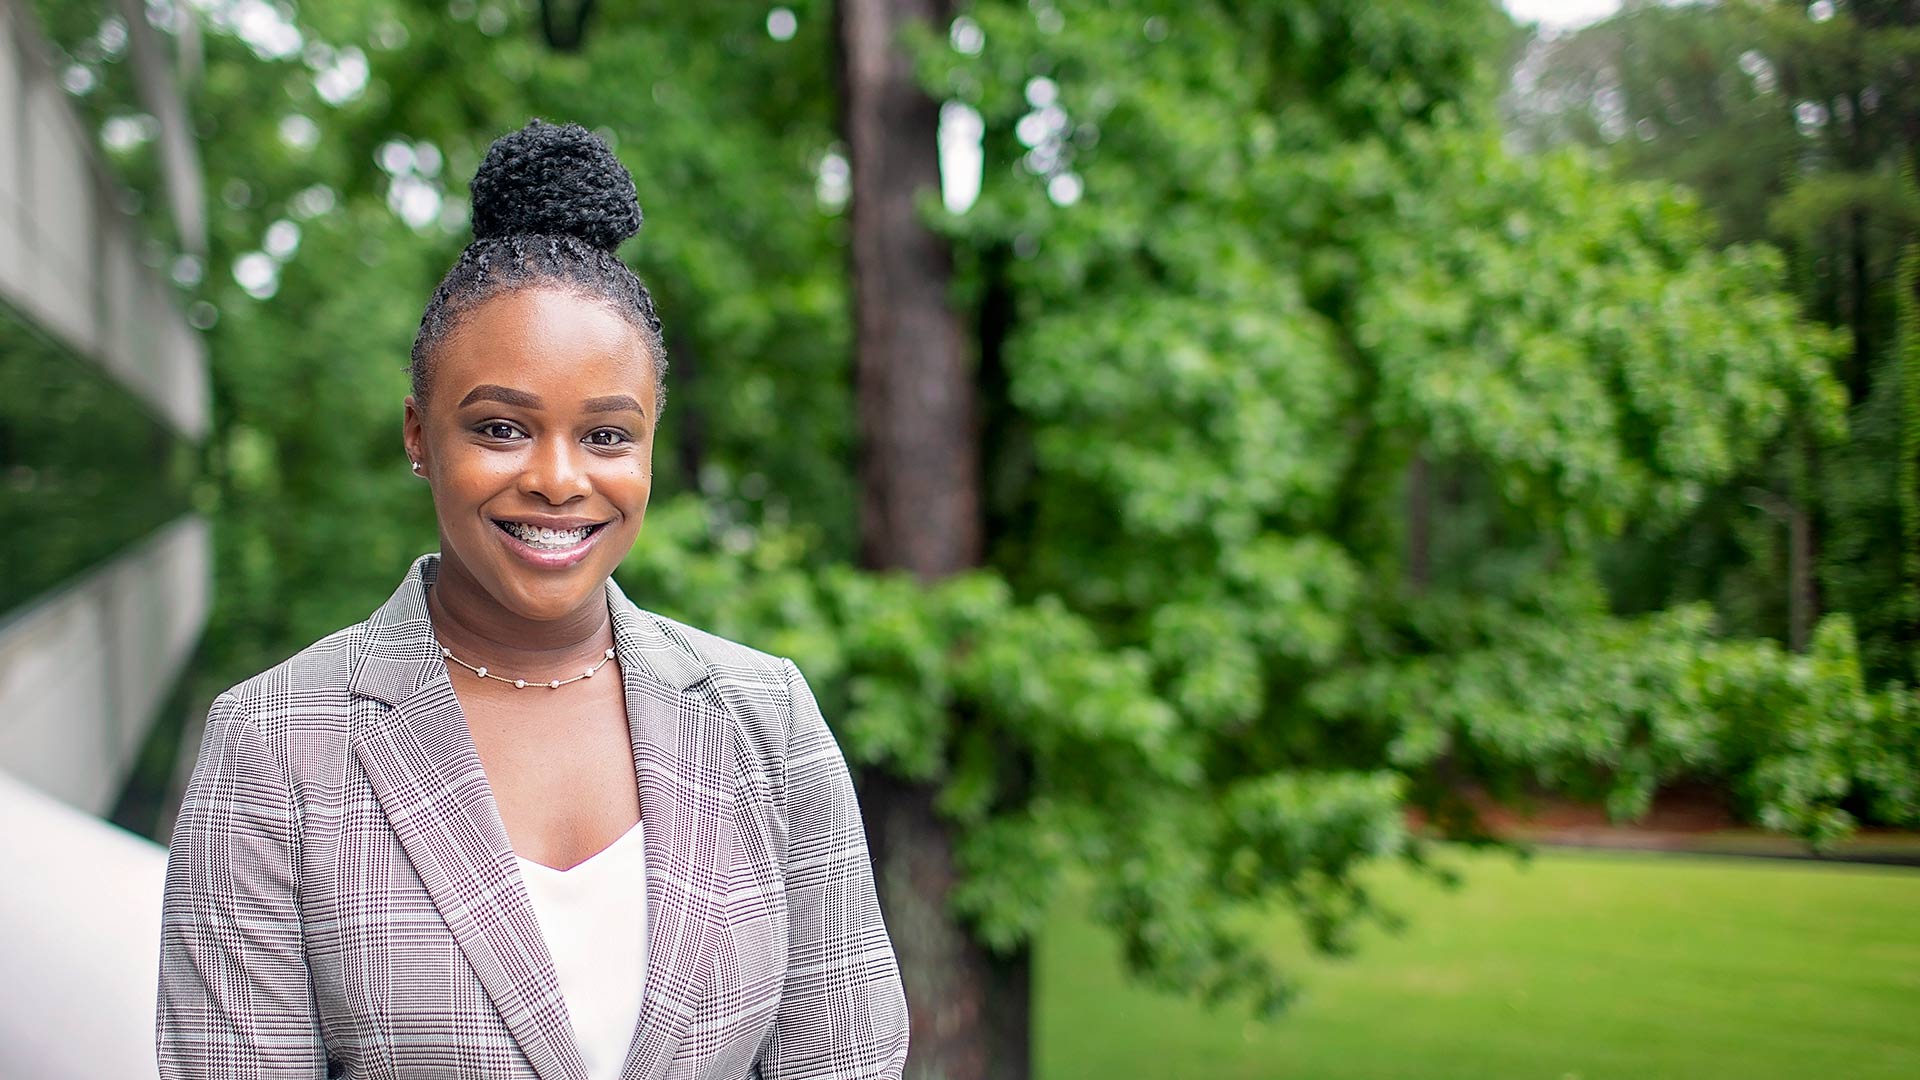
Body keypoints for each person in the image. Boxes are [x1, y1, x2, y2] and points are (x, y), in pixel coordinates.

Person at [156, 120, 909, 1080]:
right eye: (503, 426)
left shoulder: (766, 721)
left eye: (605, 436)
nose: (558, 480)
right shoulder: (273, 747)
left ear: (648, 446)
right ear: (420, 436)